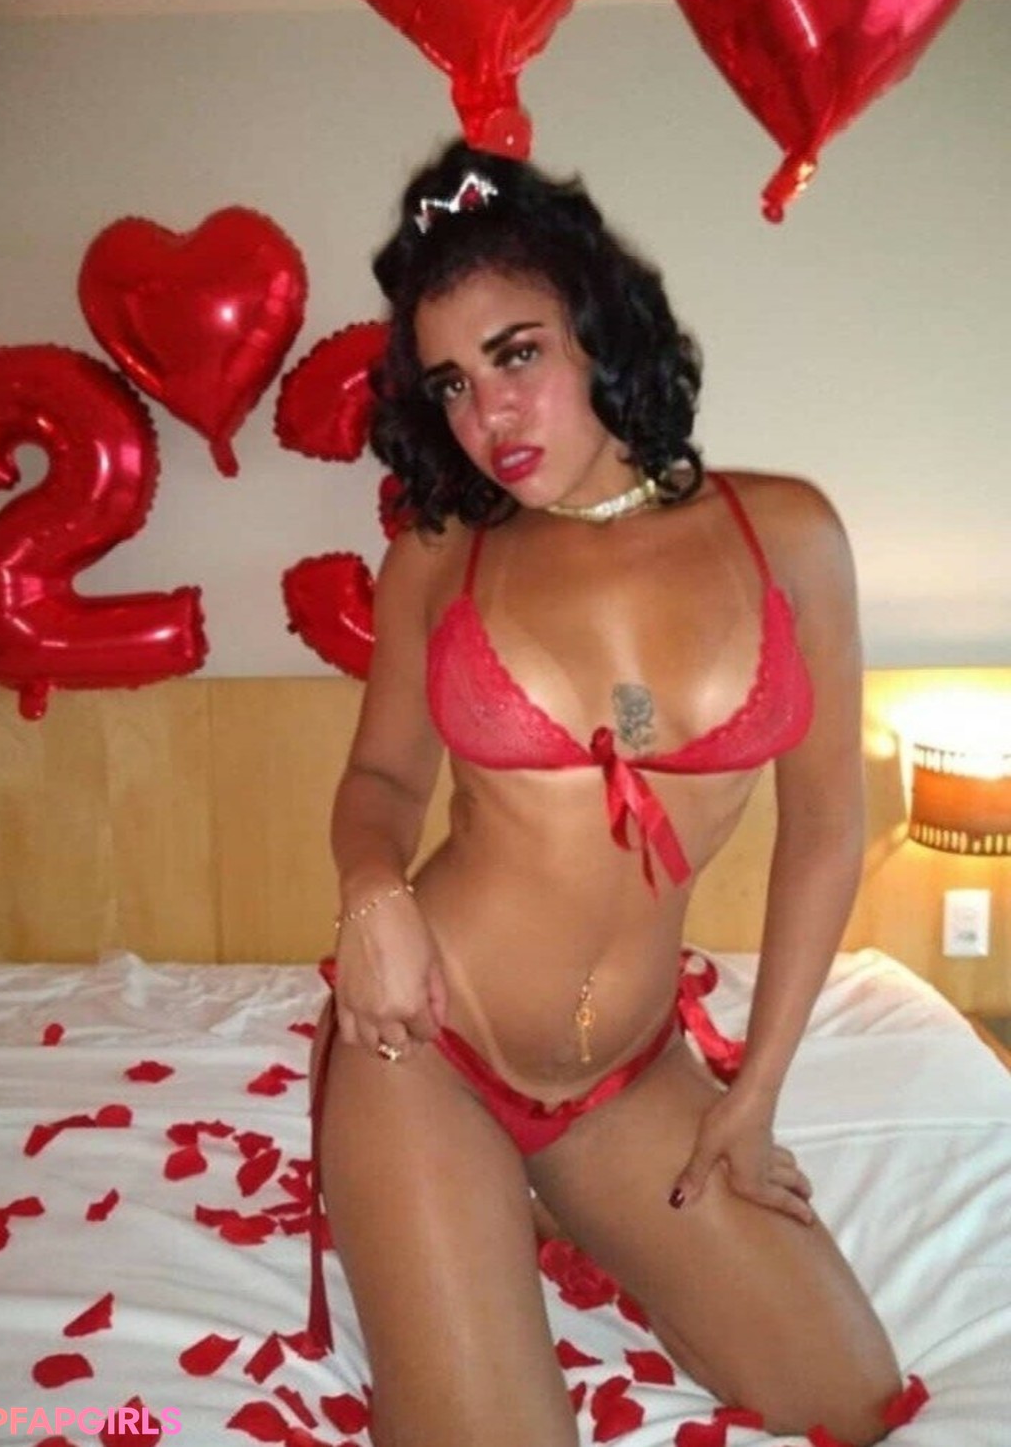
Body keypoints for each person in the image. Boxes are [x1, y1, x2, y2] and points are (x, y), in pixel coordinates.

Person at [309, 138, 917, 1447]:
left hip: (629, 1074)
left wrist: (754, 1092)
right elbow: (382, 777)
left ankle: (557, 1195)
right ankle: (456, 1182)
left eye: (517, 354)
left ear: (599, 329)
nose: (489, 417)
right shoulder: (442, 553)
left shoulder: (786, 534)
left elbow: (827, 829)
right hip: (431, 1048)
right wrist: (370, 891)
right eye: (453, 384)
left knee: (851, 1400)